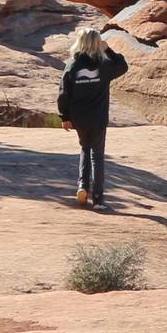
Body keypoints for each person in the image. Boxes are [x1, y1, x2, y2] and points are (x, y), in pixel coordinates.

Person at [56, 27, 126, 206]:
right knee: (98, 155)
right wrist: (108, 49)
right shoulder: (105, 65)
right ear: (98, 43)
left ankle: (82, 186)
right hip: (98, 116)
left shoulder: (72, 65)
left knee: (85, 150)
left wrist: (65, 117)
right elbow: (123, 66)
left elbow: (64, 93)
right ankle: (98, 198)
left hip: (79, 117)